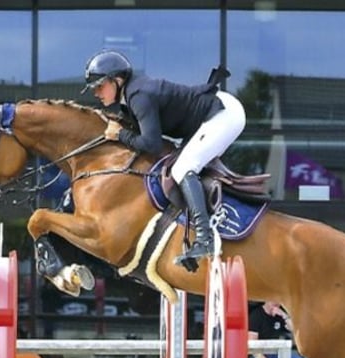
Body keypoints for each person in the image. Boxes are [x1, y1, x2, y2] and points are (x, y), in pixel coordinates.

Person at [81, 49, 246, 268]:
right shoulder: (130, 95)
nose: (96, 93)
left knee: (183, 168)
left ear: (117, 80)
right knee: (183, 167)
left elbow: (152, 145)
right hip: (210, 118)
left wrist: (120, 134)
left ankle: (205, 239)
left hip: (223, 114)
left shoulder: (139, 96)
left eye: (100, 86)